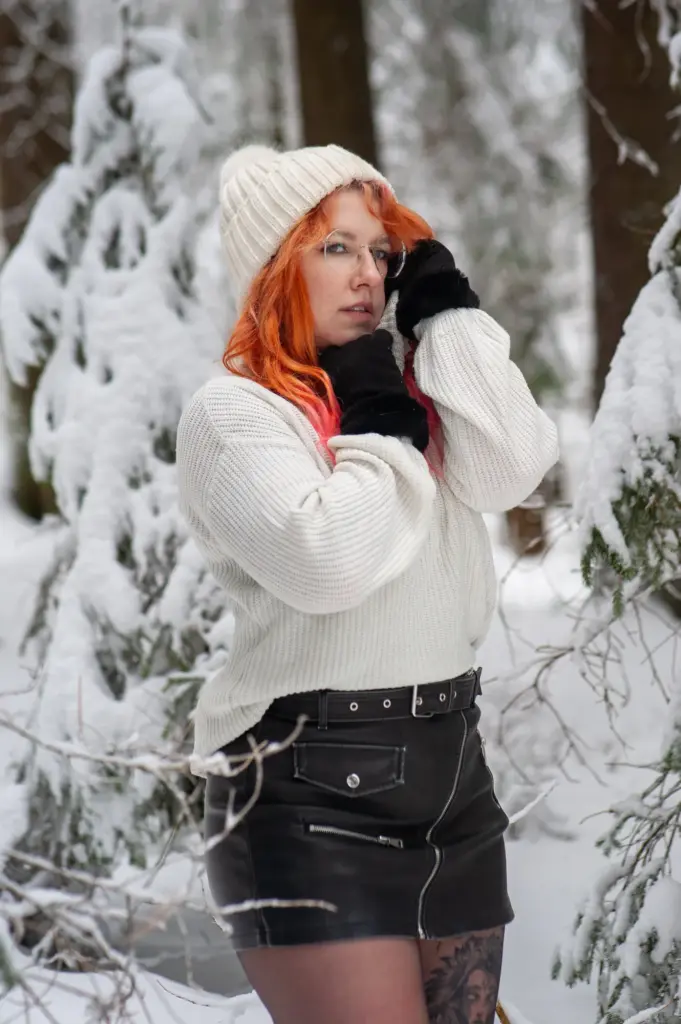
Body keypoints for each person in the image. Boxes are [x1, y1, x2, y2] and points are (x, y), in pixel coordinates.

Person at [176, 142, 559, 1024]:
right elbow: (329, 560)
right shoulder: (235, 414)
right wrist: (380, 428)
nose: (366, 275)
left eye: (379, 251)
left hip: (453, 776)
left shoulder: (415, 392)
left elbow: (512, 468)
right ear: (277, 267)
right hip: (306, 792)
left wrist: (448, 316)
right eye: (333, 247)